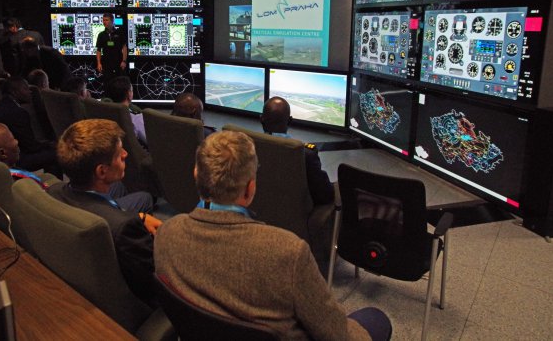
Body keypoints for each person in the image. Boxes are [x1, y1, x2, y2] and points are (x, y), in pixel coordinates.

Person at [154, 131, 392, 341]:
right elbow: (335, 333)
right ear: (250, 188)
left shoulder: (167, 233)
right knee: (376, 319)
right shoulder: (287, 252)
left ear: (196, 174)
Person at [49, 119, 160, 305]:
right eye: (119, 154)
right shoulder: (124, 229)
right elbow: (152, 284)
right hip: (137, 305)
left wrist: (137, 216)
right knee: (144, 198)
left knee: (122, 189)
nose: (126, 154)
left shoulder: (54, 191)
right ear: (101, 171)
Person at [261, 96, 334, 206]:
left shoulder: (248, 147)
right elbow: (325, 196)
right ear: (290, 121)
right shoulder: (306, 154)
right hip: (295, 214)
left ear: (261, 119)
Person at [0, 77, 61, 177]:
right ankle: (53, 184)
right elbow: (30, 147)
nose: (30, 91)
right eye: (25, 88)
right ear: (14, 92)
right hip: (9, 160)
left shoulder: (1, 104)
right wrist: (49, 144)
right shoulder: (18, 112)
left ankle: (49, 181)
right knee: (56, 153)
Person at [106, 76, 147, 147]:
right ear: (129, 94)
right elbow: (151, 142)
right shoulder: (136, 119)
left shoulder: (105, 113)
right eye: (131, 90)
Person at [95, 13, 126, 84]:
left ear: (112, 21)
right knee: (108, 84)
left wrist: (124, 61)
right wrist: (99, 63)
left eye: (106, 20)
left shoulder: (119, 33)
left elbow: (124, 47)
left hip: (118, 64)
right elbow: (98, 50)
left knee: (119, 85)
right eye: (103, 20)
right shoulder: (101, 35)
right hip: (106, 65)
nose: (104, 22)